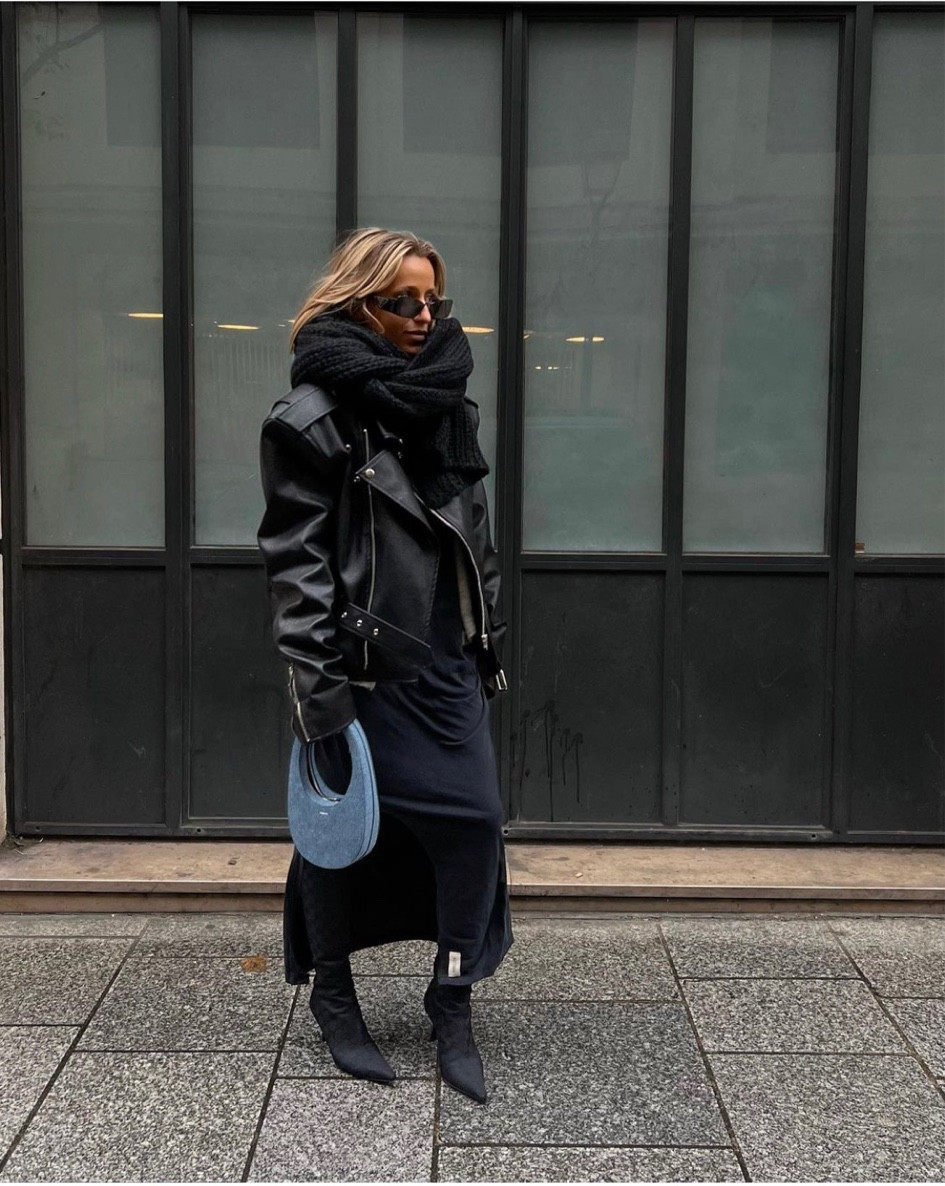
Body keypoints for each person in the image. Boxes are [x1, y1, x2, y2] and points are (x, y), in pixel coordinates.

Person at [257, 227, 513, 1105]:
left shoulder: (448, 398)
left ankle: (452, 999)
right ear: (354, 302)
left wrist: (487, 635)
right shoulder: (311, 420)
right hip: (359, 670)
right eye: (400, 301)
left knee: (474, 822)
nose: (422, 316)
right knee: (338, 839)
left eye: (431, 300)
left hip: (444, 664)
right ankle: (334, 995)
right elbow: (297, 566)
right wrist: (316, 694)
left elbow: (471, 533)